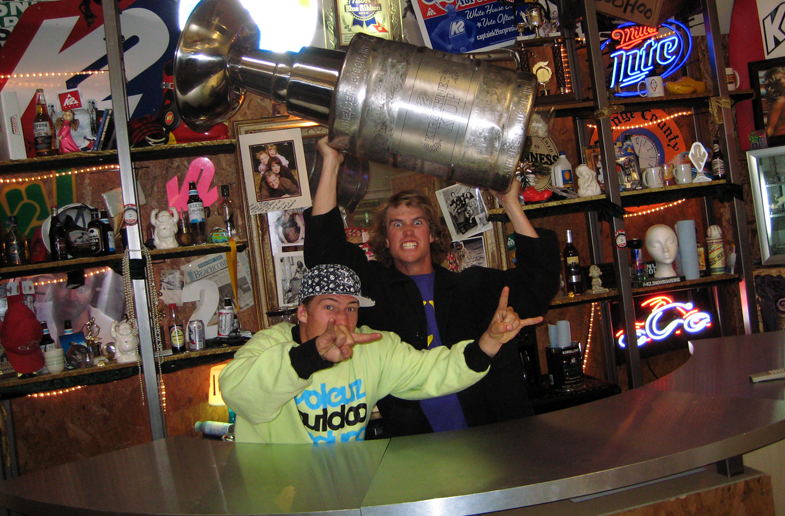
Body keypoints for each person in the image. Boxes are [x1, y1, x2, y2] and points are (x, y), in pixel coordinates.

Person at [303, 137, 560, 437]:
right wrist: (331, 162)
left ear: (433, 235)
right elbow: (324, 253)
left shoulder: (473, 286)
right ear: (385, 240)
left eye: (418, 222)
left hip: (497, 440)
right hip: (416, 450)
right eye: (396, 224)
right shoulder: (374, 291)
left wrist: (510, 204)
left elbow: (538, 283)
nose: (408, 230)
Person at [219, 264, 541, 444]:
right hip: (277, 500)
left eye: (351, 308)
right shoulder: (267, 346)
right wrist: (313, 355)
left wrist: (489, 341)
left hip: (346, 491)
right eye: (328, 306)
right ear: (302, 313)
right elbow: (239, 393)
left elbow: (433, 370)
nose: (341, 320)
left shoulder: (372, 347)